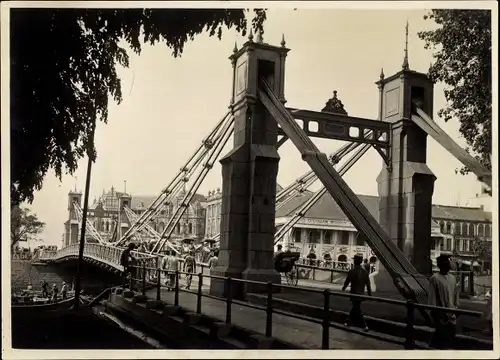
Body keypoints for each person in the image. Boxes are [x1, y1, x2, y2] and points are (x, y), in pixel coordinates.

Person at [427, 254, 460, 349]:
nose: (447, 265)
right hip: (440, 311)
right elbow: (432, 297)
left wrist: (456, 308)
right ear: (440, 265)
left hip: (452, 310)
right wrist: (435, 312)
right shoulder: (435, 278)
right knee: (442, 334)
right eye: (444, 263)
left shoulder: (452, 278)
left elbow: (455, 294)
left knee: (450, 334)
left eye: (448, 263)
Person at [342, 255, 371, 331]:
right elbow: (368, 284)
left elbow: (347, 281)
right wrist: (369, 294)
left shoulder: (352, 271)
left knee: (357, 309)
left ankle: (364, 325)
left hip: (354, 293)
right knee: (355, 308)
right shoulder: (365, 272)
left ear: (355, 261)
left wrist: (343, 288)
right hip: (361, 293)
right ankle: (348, 322)